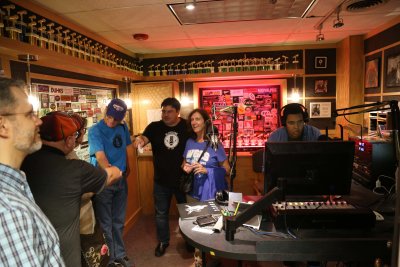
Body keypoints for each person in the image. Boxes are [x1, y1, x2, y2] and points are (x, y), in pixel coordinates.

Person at [21, 111, 122, 267]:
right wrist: (115, 169)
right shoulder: (76, 169)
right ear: (69, 140)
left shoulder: (23, 160)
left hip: (31, 249)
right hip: (66, 254)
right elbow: (113, 175)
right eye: (74, 137)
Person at [0, 78, 65, 266]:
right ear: (3, 125)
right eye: (29, 115)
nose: (38, 121)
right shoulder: (9, 211)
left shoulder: (15, 187)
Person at [133, 97, 189, 257]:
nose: (165, 114)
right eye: (163, 111)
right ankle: (163, 242)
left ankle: (189, 241)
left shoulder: (186, 126)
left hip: (183, 180)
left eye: (169, 111)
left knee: (186, 213)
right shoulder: (154, 127)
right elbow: (143, 138)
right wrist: (139, 140)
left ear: (178, 112)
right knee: (161, 214)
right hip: (161, 181)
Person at [267, 103, 321, 267]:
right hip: (284, 189)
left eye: (299, 122)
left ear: (304, 120)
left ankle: (313, 259)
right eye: (291, 123)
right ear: (284, 123)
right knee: (288, 229)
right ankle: (290, 256)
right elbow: (269, 171)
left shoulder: (315, 134)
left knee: (312, 230)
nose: (296, 127)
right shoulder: (275, 137)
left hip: (311, 188)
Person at [89, 98, 132, 267]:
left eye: (116, 118)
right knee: (106, 224)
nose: (112, 121)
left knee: (119, 221)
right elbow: (100, 157)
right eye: (110, 116)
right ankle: (110, 260)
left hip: (121, 180)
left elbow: (125, 148)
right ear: (105, 112)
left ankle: (120, 254)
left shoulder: (123, 127)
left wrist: (128, 167)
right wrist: (111, 173)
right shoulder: (95, 130)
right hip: (104, 181)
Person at [182, 108, 230, 201]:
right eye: (192, 120)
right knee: (194, 215)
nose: (194, 122)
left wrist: (207, 170)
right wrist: (186, 167)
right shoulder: (189, 142)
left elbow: (227, 170)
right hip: (192, 192)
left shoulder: (214, 143)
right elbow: (183, 163)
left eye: (197, 119)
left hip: (211, 192)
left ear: (205, 122)